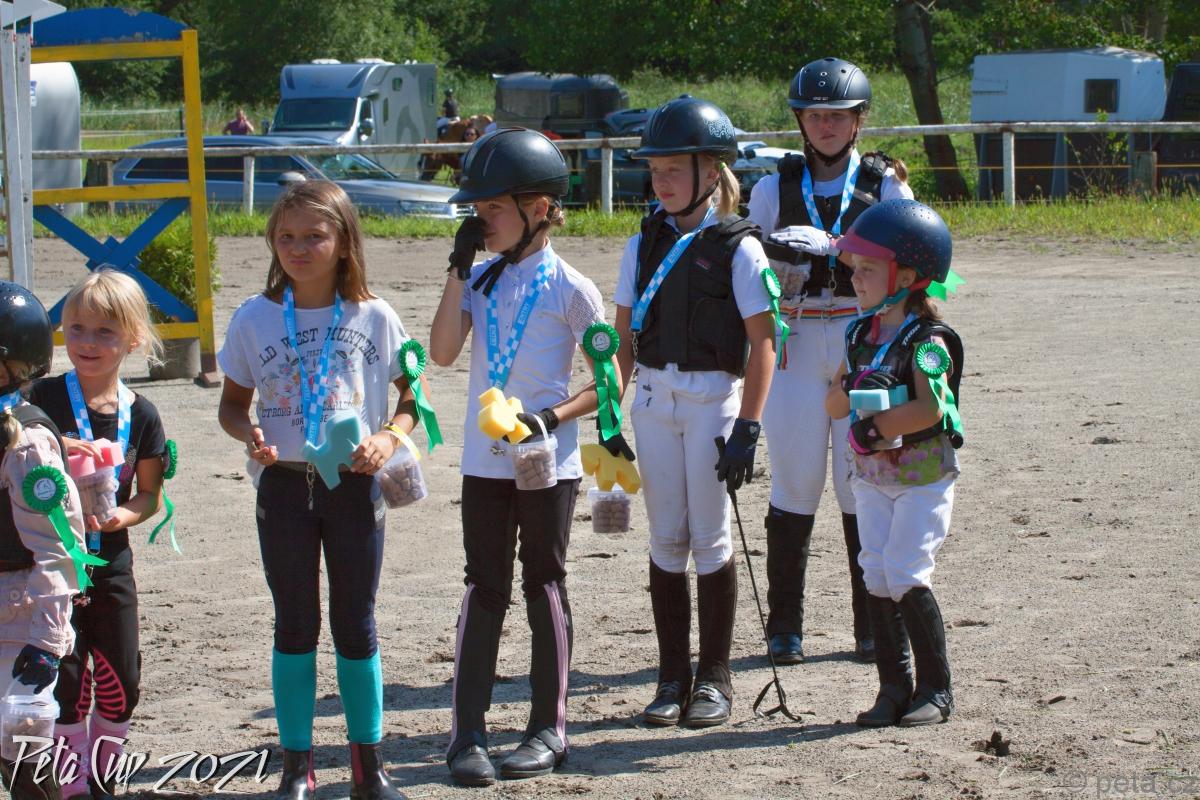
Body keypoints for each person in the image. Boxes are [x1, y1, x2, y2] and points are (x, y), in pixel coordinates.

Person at [217, 180, 421, 800]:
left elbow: (413, 398)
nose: (298, 249)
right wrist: (248, 432)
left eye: (314, 236)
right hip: (283, 489)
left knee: (356, 624)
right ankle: (296, 768)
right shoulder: (253, 317)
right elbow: (232, 405)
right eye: (286, 237)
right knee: (294, 625)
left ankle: (368, 768)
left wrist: (388, 437)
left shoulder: (375, 316)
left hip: (354, 490)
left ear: (344, 242)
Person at [429, 128, 609, 787]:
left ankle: (547, 728)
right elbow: (443, 352)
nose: (480, 221)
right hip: (485, 461)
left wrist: (551, 417)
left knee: (544, 583)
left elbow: (610, 379)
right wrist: (457, 270)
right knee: (484, 585)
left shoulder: (572, 288)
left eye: (492, 209)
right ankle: (467, 734)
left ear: (538, 208)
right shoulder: (479, 280)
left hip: (544, 461)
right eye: (475, 211)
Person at [613, 97, 776, 729]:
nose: (660, 181)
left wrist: (748, 427)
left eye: (673, 170)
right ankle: (670, 675)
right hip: (654, 401)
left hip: (713, 402)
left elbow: (763, 344)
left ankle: (715, 677)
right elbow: (621, 343)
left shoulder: (741, 248)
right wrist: (609, 412)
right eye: (655, 170)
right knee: (665, 538)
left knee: (709, 538)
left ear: (711, 172)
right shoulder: (640, 245)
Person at [747, 57, 914, 667]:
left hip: (858, 336)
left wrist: (842, 249)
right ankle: (784, 625)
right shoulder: (773, 188)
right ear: (800, 121)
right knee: (794, 482)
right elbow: (746, 263)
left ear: (858, 121)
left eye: (838, 116)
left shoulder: (885, 185)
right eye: (815, 115)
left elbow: (913, 252)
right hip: (795, 338)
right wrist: (773, 259)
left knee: (857, 481)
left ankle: (871, 622)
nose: (825, 126)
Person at [824, 198, 963, 728]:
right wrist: (851, 389)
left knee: (906, 570)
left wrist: (876, 426)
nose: (854, 279)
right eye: (853, 268)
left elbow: (931, 409)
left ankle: (936, 689)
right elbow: (833, 403)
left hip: (921, 477)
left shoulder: (929, 341)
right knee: (876, 574)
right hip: (871, 477)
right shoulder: (858, 334)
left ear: (906, 277)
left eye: (867, 269)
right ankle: (893, 687)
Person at [27, 270, 165, 800]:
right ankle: (71, 787)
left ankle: (105, 779)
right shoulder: (40, 398)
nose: (87, 342)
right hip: (51, 567)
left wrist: (119, 518)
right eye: (77, 328)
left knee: (121, 681)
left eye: (105, 331)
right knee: (64, 681)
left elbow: (148, 496)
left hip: (110, 565)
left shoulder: (142, 415)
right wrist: (57, 443)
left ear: (133, 339)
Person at [0, 280, 87, 800]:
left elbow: (58, 549)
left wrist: (47, 643)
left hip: (19, 615)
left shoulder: (27, 445)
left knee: (22, 752)